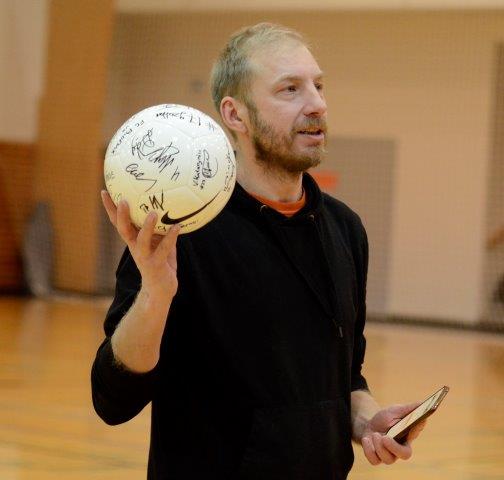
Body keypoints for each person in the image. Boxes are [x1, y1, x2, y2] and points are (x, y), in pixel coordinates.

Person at [92, 22, 426, 480]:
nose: (317, 103)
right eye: (290, 89)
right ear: (235, 114)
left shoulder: (346, 229)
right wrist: (155, 295)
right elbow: (113, 400)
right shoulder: (181, 230)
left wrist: (366, 421)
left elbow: (346, 378)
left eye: (319, 85)